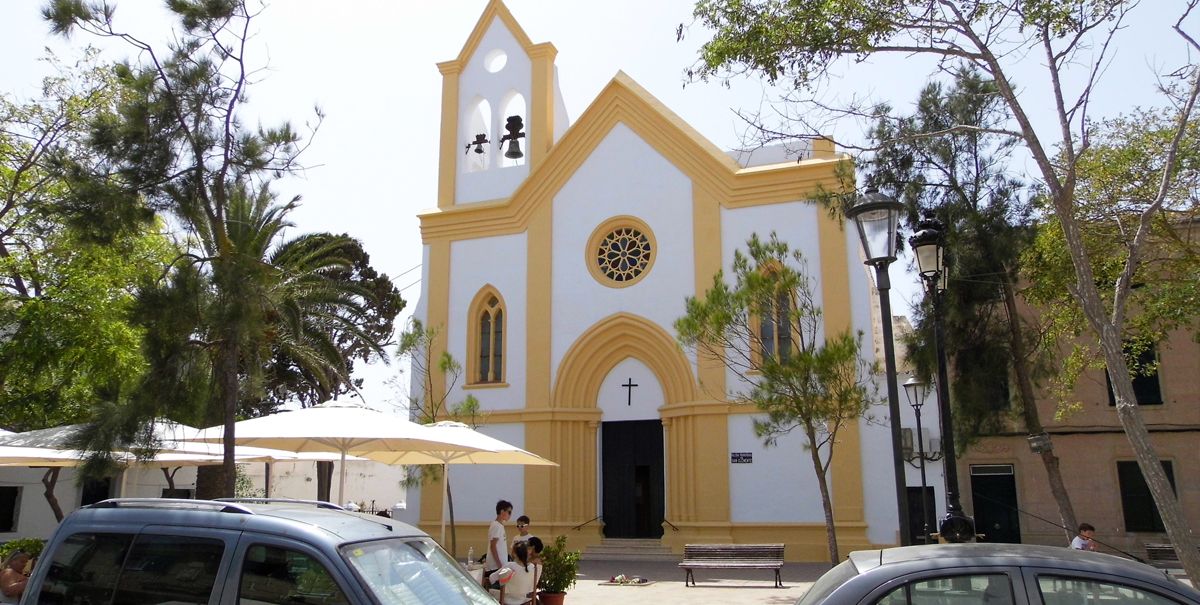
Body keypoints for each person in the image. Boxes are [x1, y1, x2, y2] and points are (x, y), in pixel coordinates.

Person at [489, 540, 541, 605]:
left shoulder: (510, 565)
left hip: (506, 598)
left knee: (488, 589)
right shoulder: (533, 567)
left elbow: (491, 578)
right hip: (523, 599)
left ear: (514, 554)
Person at [484, 499, 513, 581]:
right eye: (509, 512)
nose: (510, 515)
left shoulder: (500, 526)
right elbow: (493, 546)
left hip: (499, 566)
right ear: (502, 511)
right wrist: (499, 565)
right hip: (495, 567)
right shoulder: (496, 526)